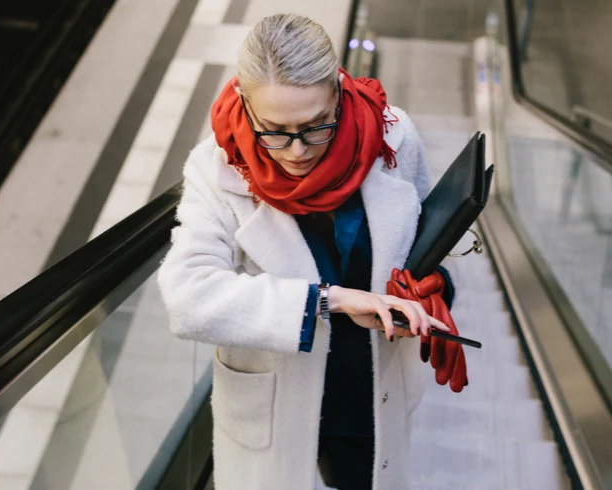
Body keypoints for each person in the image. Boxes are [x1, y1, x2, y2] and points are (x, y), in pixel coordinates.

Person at [158, 13, 464, 490]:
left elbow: (429, 242)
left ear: (340, 94)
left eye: (317, 125)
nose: (297, 151)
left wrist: (435, 287)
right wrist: (330, 300)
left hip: (371, 390)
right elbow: (187, 298)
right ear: (244, 102)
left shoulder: (394, 137)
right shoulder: (213, 169)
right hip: (276, 401)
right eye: (275, 130)